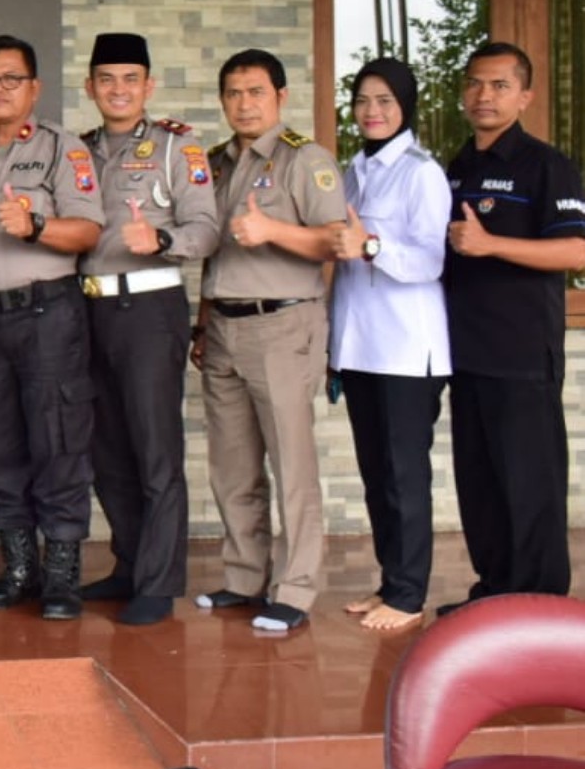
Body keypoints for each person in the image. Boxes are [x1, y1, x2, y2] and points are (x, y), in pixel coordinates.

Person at [191, 48, 347, 632]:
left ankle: (297, 589)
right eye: (232, 92)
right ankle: (243, 577)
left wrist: (273, 230)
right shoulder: (217, 164)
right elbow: (212, 257)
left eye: (255, 91)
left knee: (291, 462)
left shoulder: (305, 160)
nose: (243, 103)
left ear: (280, 96)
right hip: (225, 327)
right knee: (233, 467)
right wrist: (204, 323)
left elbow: (337, 239)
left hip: (283, 325)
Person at [0, 34, 104, 621]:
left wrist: (36, 225)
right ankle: (19, 567)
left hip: (47, 314)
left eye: (10, 79)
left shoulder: (63, 150)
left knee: (58, 442)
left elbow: (88, 231)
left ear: (34, 88)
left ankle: (62, 575)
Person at [74, 32, 219, 626]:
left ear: (148, 86)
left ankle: (158, 583)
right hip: (88, 311)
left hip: (149, 309)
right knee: (105, 450)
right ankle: (130, 564)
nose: (117, 89)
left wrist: (161, 240)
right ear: (90, 87)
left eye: (130, 78)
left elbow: (207, 228)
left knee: (155, 450)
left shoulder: (174, 148)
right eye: (106, 79)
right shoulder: (76, 151)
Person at [442, 41, 585, 611]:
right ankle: (494, 596)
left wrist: (488, 243)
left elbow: (575, 251)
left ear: (524, 96)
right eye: (475, 84)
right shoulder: (458, 167)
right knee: (481, 486)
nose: (484, 95)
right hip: (466, 352)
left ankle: (542, 608)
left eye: (499, 85)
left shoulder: (548, 165)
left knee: (531, 487)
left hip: (523, 353)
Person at [328, 57, 450, 632]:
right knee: (376, 473)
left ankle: (408, 595)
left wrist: (372, 246)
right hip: (360, 348)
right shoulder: (352, 171)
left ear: (405, 106)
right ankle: (390, 580)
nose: (372, 111)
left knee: (405, 474)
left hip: (406, 350)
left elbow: (430, 259)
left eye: (384, 100)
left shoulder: (420, 171)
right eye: (362, 100)